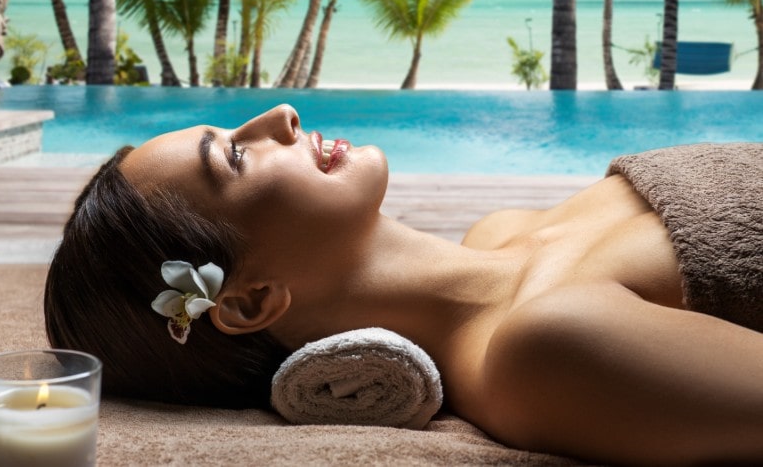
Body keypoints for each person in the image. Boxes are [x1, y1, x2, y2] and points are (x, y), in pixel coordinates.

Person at [45, 104, 763, 465]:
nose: (279, 116)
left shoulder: (500, 229)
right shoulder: (542, 351)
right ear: (246, 300)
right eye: (233, 157)